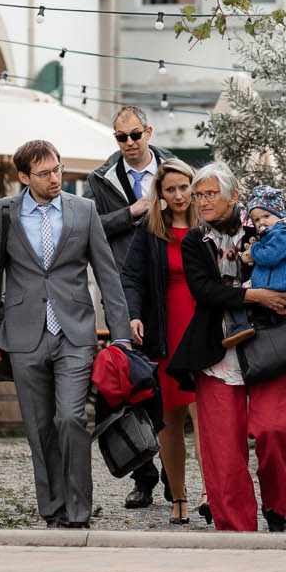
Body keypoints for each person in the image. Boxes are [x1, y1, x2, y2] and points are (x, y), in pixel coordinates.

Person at [0, 138, 130, 529]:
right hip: (24, 336)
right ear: (24, 177)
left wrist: (121, 335)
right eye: (44, 173)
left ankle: (79, 510)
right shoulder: (2, 214)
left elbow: (108, 274)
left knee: (71, 419)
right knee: (39, 427)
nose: (55, 177)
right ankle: (54, 508)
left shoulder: (84, 210)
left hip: (75, 332)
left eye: (58, 169)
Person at [167, 162, 286, 532]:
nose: (202, 201)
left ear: (234, 196)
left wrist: (283, 290)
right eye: (199, 195)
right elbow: (203, 291)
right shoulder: (196, 240)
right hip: (216, 351)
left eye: (210, 194)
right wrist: (255, 293)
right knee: (223, 453)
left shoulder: (265, 227)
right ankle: (236, 531)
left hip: (269, 346)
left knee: (274, 429)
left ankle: (278, 508)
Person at [85, 105, 173, 508]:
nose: (130, 143)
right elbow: (92, 229)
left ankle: (178, 480)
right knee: (131, 383)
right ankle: (144, 476)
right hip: (123, 290)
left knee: (172, 383)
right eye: (122, 137)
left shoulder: (175, 169)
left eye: (136, 135)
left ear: (148, 131)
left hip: (171, 289)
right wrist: (131, 212)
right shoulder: (101, 179)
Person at [119, 157, 203, 524]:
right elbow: (131, 277)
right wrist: (133, 315)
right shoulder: (151, 230)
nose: (179, 194)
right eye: (170, 189)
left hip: (204, 333)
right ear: (161, 194)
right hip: (165, 334)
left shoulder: (210, 225)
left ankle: (211, 492)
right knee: (169, 423)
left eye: (184, 186)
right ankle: (179, 498)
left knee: (208, 419)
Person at [221, 184, 286, 347]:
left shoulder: (283, 233)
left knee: (238, 292)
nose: (261, 222)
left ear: (278, 215)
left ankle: (241, 326)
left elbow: (269, 257)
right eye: (256, 219)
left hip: (278, 283)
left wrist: (256, 249)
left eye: (266, 216)